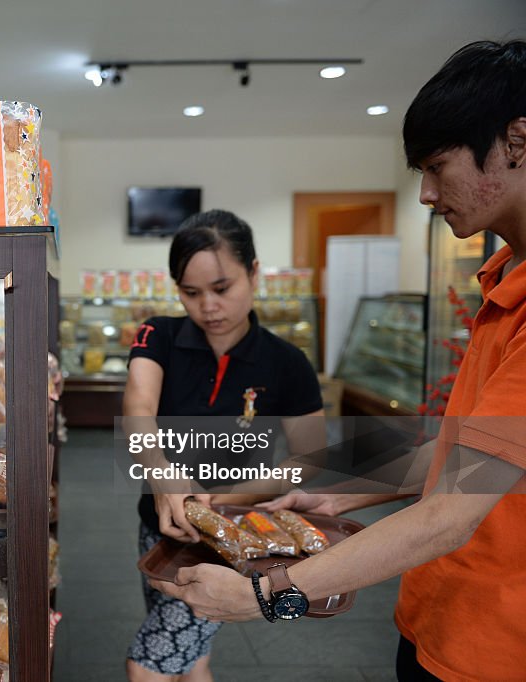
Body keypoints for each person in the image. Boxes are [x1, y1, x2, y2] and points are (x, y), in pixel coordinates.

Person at [150, 39, 526, 682]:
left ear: (517, 140)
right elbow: (466, 458)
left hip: (495, 648)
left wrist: (267, 596)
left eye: (438, 167)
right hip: (438, 622)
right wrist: (338, 492)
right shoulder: (502, 282)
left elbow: (450, 515)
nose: (427, 196)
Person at [123, 209, 325, 681]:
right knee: (194, 658)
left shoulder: (286, 362)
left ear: (253, 272)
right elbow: (137, 409)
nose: (207, 306)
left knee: (148, 661)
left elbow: (311, 457)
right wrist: (163, 474)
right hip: (158, 526)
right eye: (190, 293)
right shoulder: (159, 336)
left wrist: (227, 498)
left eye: (222, 288)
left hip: (232, 541)